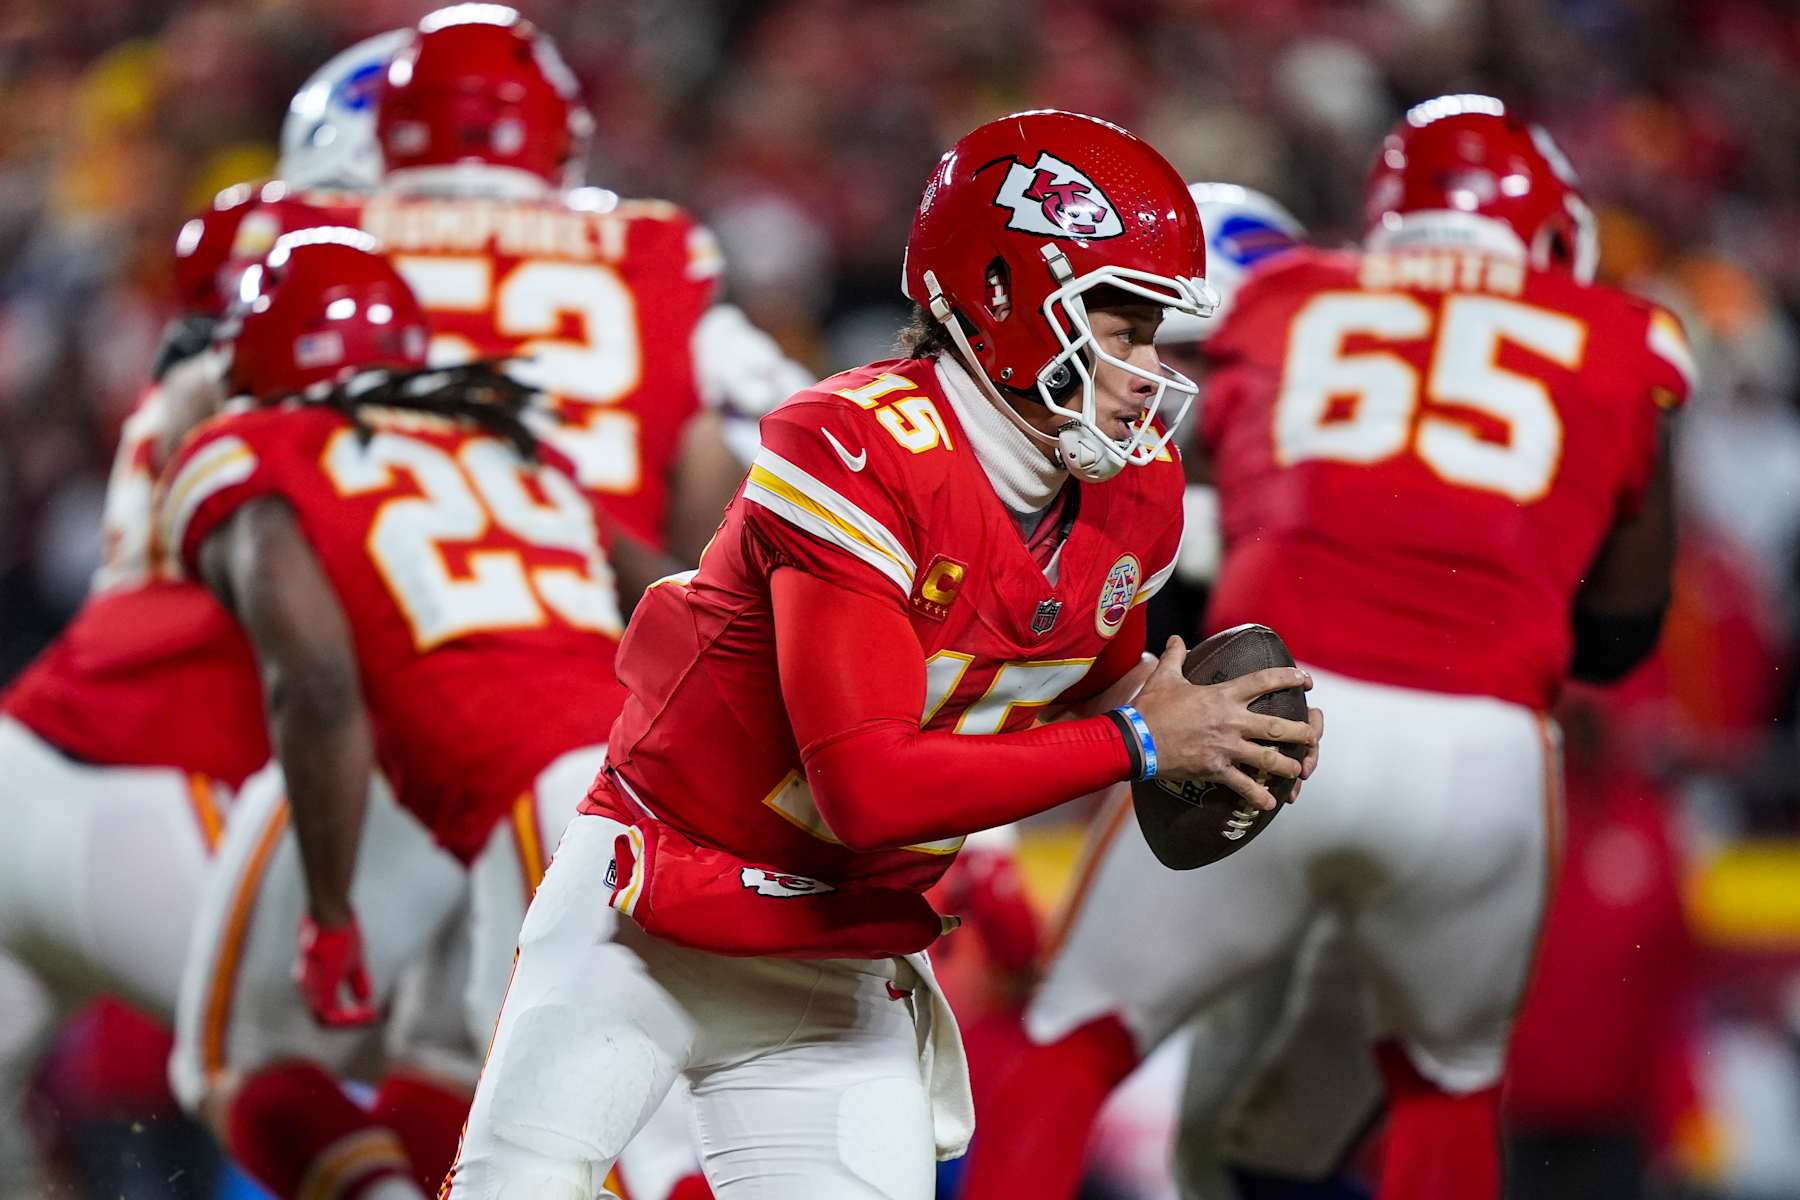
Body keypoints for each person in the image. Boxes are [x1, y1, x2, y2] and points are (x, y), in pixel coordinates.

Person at [441, 108, 1323, 1200]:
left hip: (841, 951)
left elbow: (1072, 692)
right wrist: (1144, 737)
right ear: (996, 296)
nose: (1146, 371)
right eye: (1121, 323)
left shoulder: (1132, 496)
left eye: (1156, 335)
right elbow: (865, 782)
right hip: (653, 913)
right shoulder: (855, 444)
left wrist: (1210, 732)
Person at [960, 94, 1694, 1200]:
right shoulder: (1630, 339)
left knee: (1076, 1041)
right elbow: (1624, 631)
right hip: (1481, 742)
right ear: (1550, 232)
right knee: (1441, 1090)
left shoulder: (1288, 295)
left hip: (1267, 699)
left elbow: (1159, 500)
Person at [160, 229, 627, 1200]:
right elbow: (675, 585)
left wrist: (330, 913)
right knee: (501, 1088)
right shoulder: (516, 439)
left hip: (452, 768)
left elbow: (319, 681)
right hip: (633, 759)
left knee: (236, 1066)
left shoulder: (249, 444)